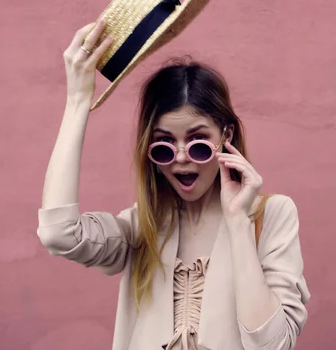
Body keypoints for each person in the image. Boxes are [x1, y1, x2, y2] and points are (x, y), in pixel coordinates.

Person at [37, 19, 311, 350]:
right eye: (164, 145)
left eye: (198, 142)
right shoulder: (144, 227)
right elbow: (58, 233)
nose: (181, 158)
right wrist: (78, 101)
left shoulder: (272, 215)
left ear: (226, 135)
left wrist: (238, 222)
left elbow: (274, 345)